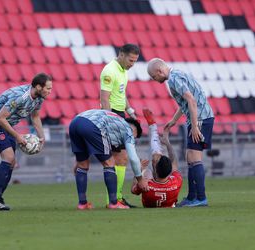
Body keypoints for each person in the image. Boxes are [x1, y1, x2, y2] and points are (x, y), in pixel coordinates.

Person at [147, 58, 214, 207]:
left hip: (201, 119)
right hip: (201, 118)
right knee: (190, 157)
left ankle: (200, 198)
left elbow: (191, 101)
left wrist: (195, 126)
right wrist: (173, 120)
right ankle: (192, 197)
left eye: (153, 76)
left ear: (159, 71)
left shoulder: (172, 80)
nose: (154, 79)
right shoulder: (178, 74)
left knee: (194, 158)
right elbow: (186, 102)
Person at [0, 73, 52, 211]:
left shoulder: (39, 98)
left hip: (6, 125)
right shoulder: (20, 97)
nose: (50, 92)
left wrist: (41, 136)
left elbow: (35, 115)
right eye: (48, 88)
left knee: (12, 162)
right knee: (8, 157)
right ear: (38, 87)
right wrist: (17, 136)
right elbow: (0, 118)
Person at [69, 109, 149, 210]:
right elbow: (133, 158)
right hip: (92, 125)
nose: (131, 141)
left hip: (75, 122)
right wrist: (140, 180)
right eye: (134, 137)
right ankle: (113, 203)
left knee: (83, 165)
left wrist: (78, 164)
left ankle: (82, 204)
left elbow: (88, 128)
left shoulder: (114, 121)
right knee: (109, 163)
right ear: (134, 131)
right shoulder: (128, 130)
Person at [100, 43, 140, 207]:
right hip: (112, 115)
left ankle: (116, 197)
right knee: (119, 157)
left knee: (120, 158)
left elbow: (121, 93)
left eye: (135, 61)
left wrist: (129, 110)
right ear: (121, 55)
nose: (132, 64)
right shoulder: (109, 71)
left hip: (120, 114)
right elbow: (104, 98)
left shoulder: (123, 71)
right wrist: (111, 120)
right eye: (131, 60)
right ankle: (115, 198)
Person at [131, 108, 182, 208]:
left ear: (156, 170)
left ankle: (152, 127)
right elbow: (174, 162)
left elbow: (133, 190)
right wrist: (167, 143)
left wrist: (139, 169)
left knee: (146, 170)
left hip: (149, 201)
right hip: (170, 205)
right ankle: (153, 127)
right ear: (170, 171)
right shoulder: (176, 182)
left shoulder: (145, 185)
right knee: (155, 158)